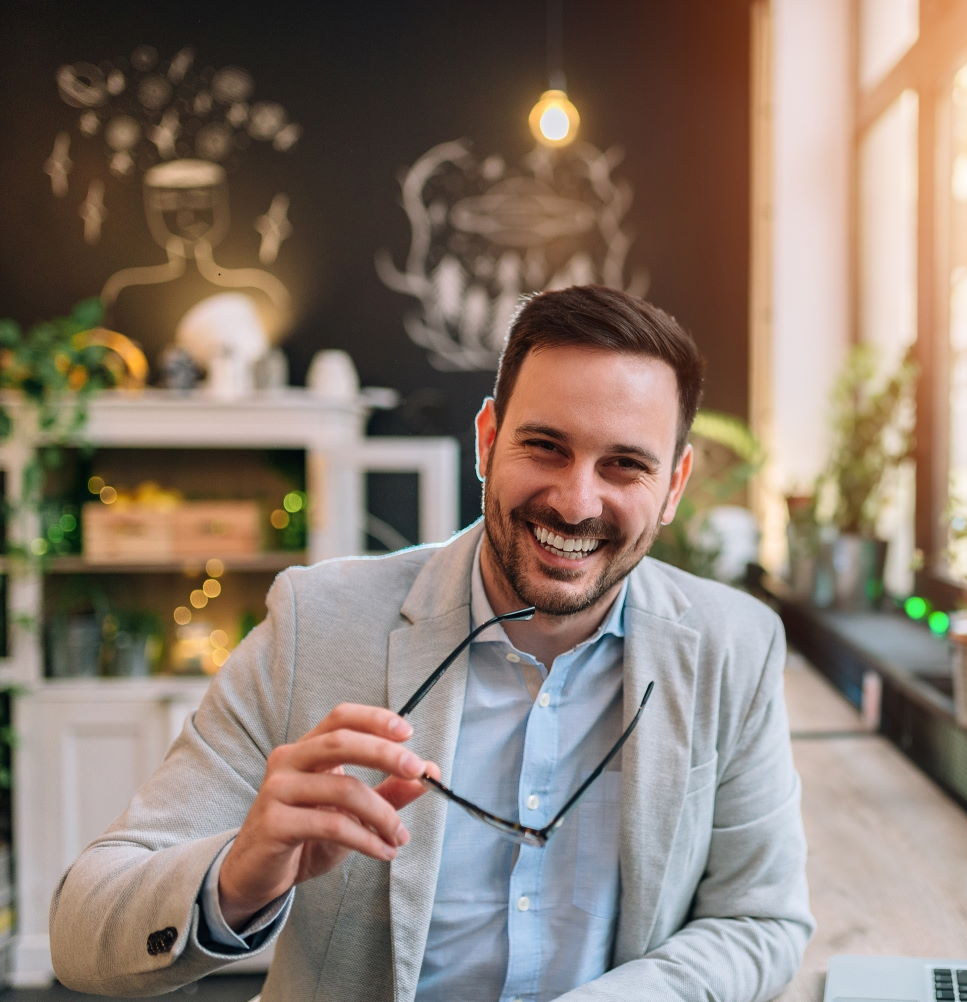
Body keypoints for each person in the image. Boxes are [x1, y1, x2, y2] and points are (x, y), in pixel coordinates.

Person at [50, 285, 813, 1001]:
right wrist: (236, 877)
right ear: (487, 441)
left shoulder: (733, 646)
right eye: (544, 446)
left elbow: (763, 920)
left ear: (674, 485)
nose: (577, 501)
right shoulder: (315, 624)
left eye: (625, 465)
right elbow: (81, 928)